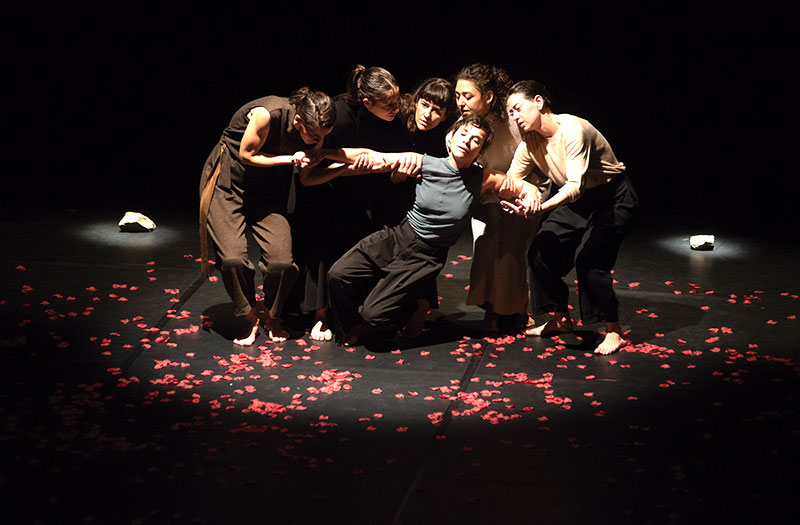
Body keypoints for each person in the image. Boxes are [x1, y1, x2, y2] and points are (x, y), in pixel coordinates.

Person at [322, 114, 529, 348]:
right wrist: (322, 153)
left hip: (427, 255)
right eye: (463, 134)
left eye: (476, 140)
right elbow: (372, 155)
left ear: (480, 151)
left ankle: (413, 308)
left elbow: (526, 187)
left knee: (374, 315)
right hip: (400, 235)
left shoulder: (483, 178)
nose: (467, 141)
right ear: (451, 137)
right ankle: (353, 327)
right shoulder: (425, 162)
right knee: (338, 275)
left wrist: (531, 197)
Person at [498, 80, 639, 355]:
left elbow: (575, 186)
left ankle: (614, 330)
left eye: (518, 109)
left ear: (538, 102)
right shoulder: (530, 143)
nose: (514, 117)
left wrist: (541, 207)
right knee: (539, 251)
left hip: (612, 196)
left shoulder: (573, 130)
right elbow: (510, 180)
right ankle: (560, 318)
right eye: (511, 113)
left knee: (590, 260)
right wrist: (517, 198)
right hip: (579, 200)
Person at [198, 87, 335, 346]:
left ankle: (273, 315)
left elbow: (307, 175)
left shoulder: (315, 132)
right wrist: (290, 159)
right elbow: (246, 155)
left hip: (268, 189)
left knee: (281, 262)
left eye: (323, 136)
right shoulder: (268, 114)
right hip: (228, 182)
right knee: (232, 258)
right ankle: (249, 316)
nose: (318, 141)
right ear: (298, 120)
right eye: (314, 136)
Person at [294, 65, 414, 342]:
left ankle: (368, 308)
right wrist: (347, 168)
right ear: (367, 103)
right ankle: (321, 315)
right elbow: (313, 164)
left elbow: (392, 160)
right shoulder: (341, 115)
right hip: (327, 189)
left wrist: (393, 172)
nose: (396, 108)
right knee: (325, 235)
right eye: (389, 104)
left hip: (369, 189)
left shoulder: (394, 120)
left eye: (397, 101)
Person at [453, 64, 545, 332]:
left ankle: (515, 309)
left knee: (510, 248)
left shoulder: (514, 119)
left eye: (467, 96)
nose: (460, 102)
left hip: (523, 189)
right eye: (457, 96)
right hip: (486, 192)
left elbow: (535, 154)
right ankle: (491, 309)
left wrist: (516, 186)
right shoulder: (464, 127)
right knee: (486, 245)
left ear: (489, 96)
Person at [397, 77, 458, 336]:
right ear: (416, 101)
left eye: (436, 111)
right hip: (393, 194)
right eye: (424, 105)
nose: (427, 114)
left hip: (424, 200)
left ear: (444, 116)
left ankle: (418, 306)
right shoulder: (400, 121)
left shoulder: (445, 138)